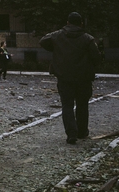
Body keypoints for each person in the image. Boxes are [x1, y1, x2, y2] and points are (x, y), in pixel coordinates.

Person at [39, 12, 102, 144]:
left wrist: (56, 49)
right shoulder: (88, 38)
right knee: (82, 105)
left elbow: (43, 41)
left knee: (67, 105)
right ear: (81, 23)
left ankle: (71, 134)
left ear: (67, 22)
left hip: (64, 77)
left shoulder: (57, 35)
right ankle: (82, 131)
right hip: (83, 78)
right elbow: (96, 58)